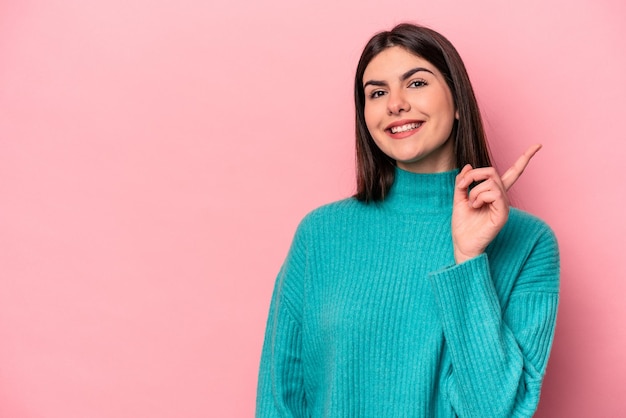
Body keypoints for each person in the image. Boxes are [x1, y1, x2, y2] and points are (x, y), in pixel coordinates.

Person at [256, 23, 559, 417]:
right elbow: (279, 399)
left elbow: (494, 410)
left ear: (456, 102)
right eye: (377, 93)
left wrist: (468, 258)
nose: (394, 104)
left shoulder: (528, 242)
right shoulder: (320, 235)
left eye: (416, 84)